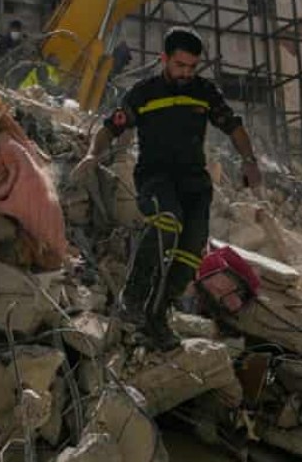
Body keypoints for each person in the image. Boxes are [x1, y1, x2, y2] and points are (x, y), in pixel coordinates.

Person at [75, 28, 261, 347]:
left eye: (192, 67)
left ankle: (158, 317)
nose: (186, 73)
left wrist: (249, 160)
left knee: (190, 252)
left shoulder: (204, 92)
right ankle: (132, 300)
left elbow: (233, 126)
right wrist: (93, 154)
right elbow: (109, 128)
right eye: (179, 65)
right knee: (166, 221)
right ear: (164, 59)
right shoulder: (142, 94)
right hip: (155, 177)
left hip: (195, 184)